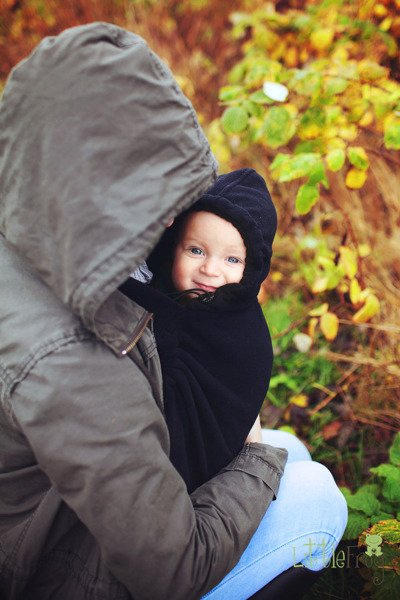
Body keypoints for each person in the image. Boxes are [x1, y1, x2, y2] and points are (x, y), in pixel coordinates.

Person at [0, 22, 347, 600]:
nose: (170, 221)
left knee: (293, 453)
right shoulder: (69, 363)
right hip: (59, 562)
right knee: (313, 493)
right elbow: (172, 570)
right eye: (151, 198)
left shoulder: (28, 223)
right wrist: (259, 457)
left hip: (39, 501)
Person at [120, 167, 278, 493]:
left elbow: (236, 389)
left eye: (232, 260)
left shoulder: (243, 329)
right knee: (309, 477)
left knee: (296, 450)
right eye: (196, 250)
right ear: (173, 247)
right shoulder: (152, 302)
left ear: (252, 270)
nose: (209, 269)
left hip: (226, 454)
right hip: (183, 494)